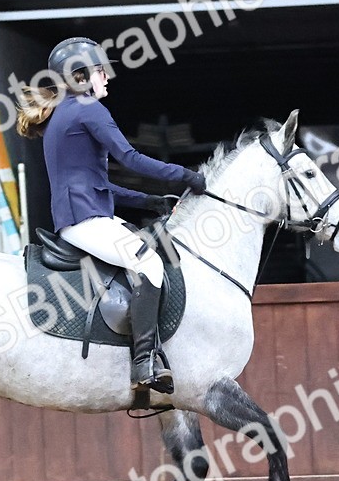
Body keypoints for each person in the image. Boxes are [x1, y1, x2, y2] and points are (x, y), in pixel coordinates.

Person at [16, 36, 206, 395]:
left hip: (83, 216)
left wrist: (149, 201)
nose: (108, 78)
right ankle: (143, 363)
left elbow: (98, 186)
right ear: (82, 75)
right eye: (102, 71)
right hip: (85, 221)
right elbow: (130, 158)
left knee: (147, 250)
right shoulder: (87, 108)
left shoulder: (65, 114)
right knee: (149, 264)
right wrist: (186, 175)